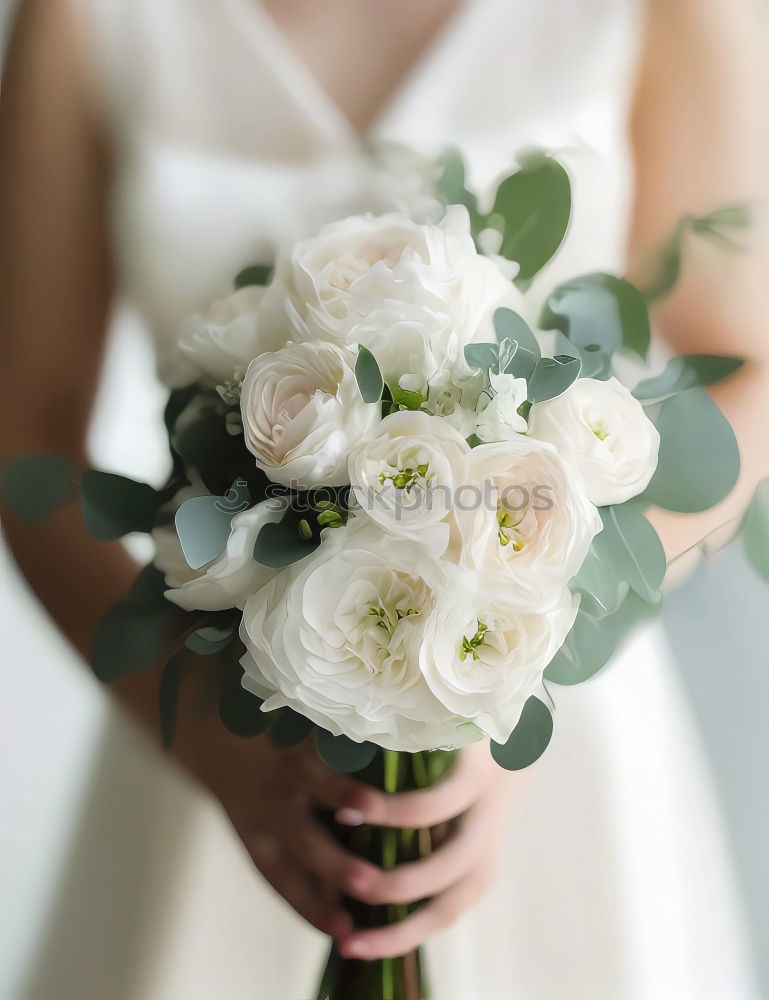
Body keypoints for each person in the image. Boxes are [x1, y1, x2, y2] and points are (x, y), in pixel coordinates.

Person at [1, 0, 766, 997]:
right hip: (219, 744)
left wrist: (548, 644)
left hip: (546, 736)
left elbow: (749, 371)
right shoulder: (85, 17)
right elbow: (26, 432)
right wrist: (211, 746)